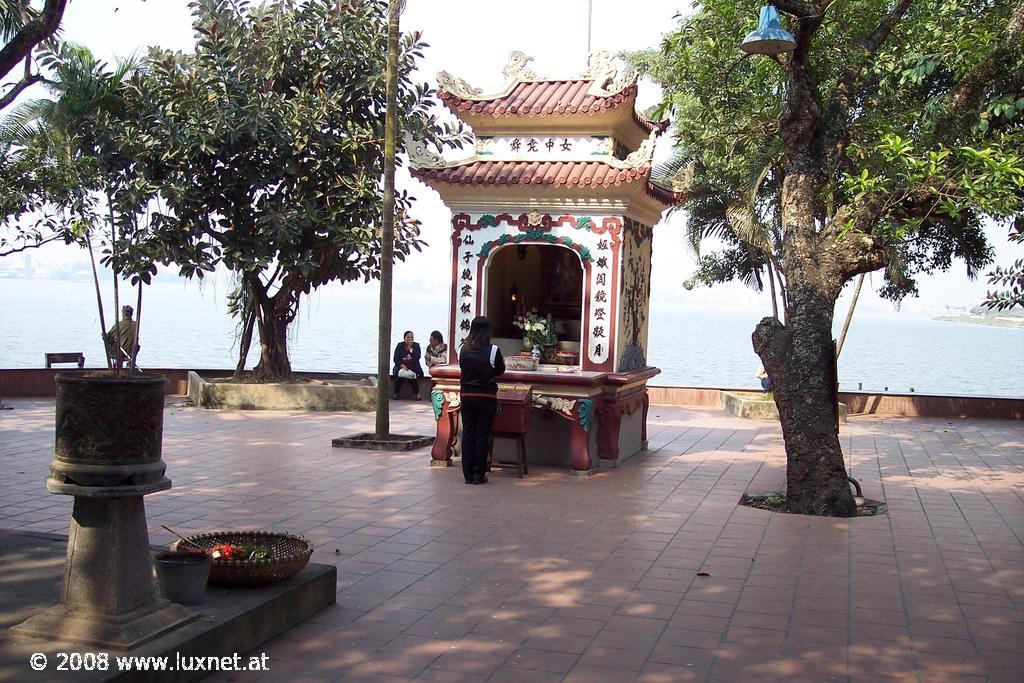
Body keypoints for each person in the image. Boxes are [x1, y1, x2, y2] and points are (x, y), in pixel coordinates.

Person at [458, 316, 505, 485]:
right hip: (486, 397)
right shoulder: (493, 351)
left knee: (468, 433)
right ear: (488, 331)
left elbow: (463, 367)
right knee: (482, 435)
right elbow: (500, 370)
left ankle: (467, 475)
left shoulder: (463, 349)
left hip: (467, 396)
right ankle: (479, 474)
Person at [391, 330, 423, 400]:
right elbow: (395, 359)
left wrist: (411, 349)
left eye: (412, 338)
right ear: (404, 338)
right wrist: (402, 365)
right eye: (408, 337)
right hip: (401, 365)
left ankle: (417, 393)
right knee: (399, 375)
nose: (410, 339)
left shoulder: (416, 346)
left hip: (412, 366)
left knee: (412, 376)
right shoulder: (400, 346)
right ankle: (396, 392)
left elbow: (417, 357)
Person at [105, 305, 139, 369]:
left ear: (123, 314)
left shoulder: (119, 324)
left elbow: (108, 337)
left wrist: (105, 337)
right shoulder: (136, 324)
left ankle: (118, 363)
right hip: (132, 352)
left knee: (108, 341)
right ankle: (129, 363)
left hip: (120, 352)